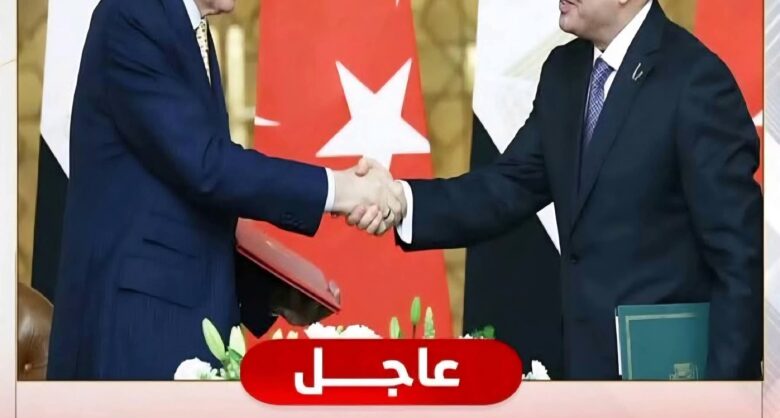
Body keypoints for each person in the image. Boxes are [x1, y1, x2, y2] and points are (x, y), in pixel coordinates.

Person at [352, 0, 764, 380]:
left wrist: (720, 400)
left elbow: (738, 259)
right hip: (582, 379)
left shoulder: (695, 80)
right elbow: (507, 186)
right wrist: (400, 201)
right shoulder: (564, 70)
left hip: (668, 386)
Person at [47, 0, 403, 380]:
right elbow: (205, 165)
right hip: (139, 330)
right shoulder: (132, 14)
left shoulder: (190, 29)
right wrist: (339, 190)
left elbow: (184, 202)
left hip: (185, 322)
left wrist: (271, 291)